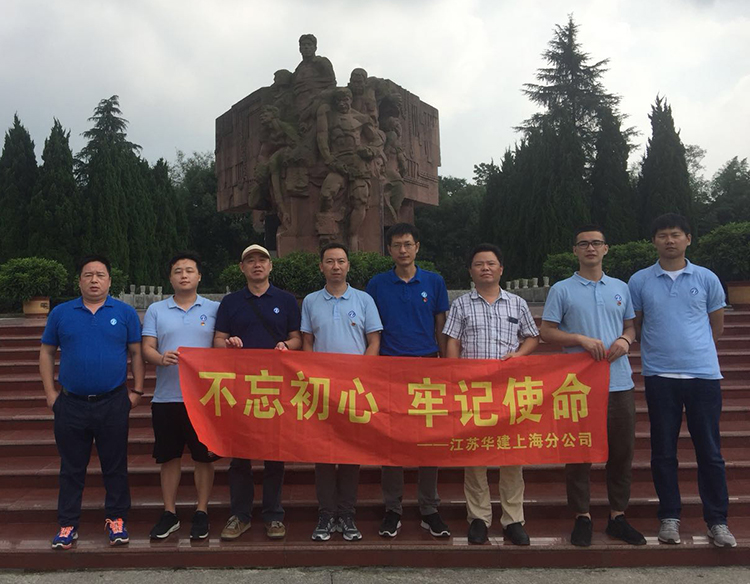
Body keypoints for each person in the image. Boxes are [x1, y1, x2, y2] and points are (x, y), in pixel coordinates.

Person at [628, 213, 735, 548]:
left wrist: (694, 351)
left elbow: (716, 326)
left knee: (710, 451)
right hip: (660, 375)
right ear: (654, 241)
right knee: (663, 451)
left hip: (703, 375)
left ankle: (717, 521)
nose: (669, 240)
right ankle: (669, 517)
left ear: (688, 239)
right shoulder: (640, 281)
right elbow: (637, 325)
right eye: (662, 235)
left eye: (675, 234)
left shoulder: (706, 278)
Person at [540, 225, 645, 547]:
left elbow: (630, 326)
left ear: (606, 248)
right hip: (578, 386)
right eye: (583, 243)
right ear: (575, 250)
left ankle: (617, 516)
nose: (590, 248)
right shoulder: (562, 289)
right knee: (578, 452)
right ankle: (582, 516)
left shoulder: (620, 287)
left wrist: (625, 340)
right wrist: (579, 339)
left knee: (622, 452)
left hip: (619, 382)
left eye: (596, 243)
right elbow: (547, 331)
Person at [41, 255, 144, 549]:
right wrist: (50, 394)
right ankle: (67, 524)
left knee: (115, 465)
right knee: (71, 468)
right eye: (88, 275)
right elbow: (47, 352)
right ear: (79, 281)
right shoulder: (61, 313)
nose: (94, 280)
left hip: (113, 401)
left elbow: (136, 353)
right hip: (70, 403)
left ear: (110, 280)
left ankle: (117, 519)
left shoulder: (124, 313)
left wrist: (137, 391)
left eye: (100, 275)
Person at [444, 244, 538, 546]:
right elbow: (452, 341)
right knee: (475, 455)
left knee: (512, 454)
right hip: (474, 391)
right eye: (479, 264)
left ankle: (513, 520)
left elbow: (532, 337)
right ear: (471, 271)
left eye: (491, 263)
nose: (485, 268)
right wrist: (454, 375)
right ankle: (479, 519)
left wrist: (518, 355)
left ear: (501, 269)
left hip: (508, 391)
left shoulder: (517, 304)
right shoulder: (461, 305)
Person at [365, 223, 451, 539]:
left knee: (430, 440)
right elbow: (372, 328)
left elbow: (440, 326)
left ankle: (429, 508)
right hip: (389, 369)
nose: (403, 250)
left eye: (408, 244)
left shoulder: (434, 281)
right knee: (391, 440)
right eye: (397, 245)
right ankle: (393, 508)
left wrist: (445, 365)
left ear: (417, 247)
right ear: (389, 250)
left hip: (427, 367)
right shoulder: (376, 284)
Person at [214, 244, 302, 541]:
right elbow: (218, 340)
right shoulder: (231, 302)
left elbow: (297, 338)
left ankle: (273, 515)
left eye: (262, 260)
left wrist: (286, 346)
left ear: (270, 266)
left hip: (275, 387)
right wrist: (229, 344)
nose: (257, 265)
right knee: (240, 454)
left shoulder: (286, 300)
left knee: (274, 453)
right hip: (241, 387)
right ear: (242, 268)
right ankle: (240, 515)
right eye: (250, 261)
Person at [301, 243, 383, 542]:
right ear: (321, 266)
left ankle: (347, 514)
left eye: (341, 261)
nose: (336, 266)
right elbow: (307, 342)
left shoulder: (364, 300)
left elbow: (374, 341)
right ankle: (326, 514)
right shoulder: (310, 301)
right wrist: (314, 376)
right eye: (329, 261)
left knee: (350, 453)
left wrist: (361, 375)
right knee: (323, 454)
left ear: (348, 265)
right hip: (323, 389)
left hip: (354, 389)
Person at [141, 252, 220, 540]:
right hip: (167, 397)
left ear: (199, 276)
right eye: (178, 271)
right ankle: (169, 513)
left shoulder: (214, 308)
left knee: (204, 458)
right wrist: (160, 358)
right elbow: (147, 348)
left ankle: (202, 511)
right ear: (170, 277)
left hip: (204, 399)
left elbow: (221, 345)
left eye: (189, 270)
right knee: (169, 457)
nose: (184, 275)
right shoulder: (156, 310)